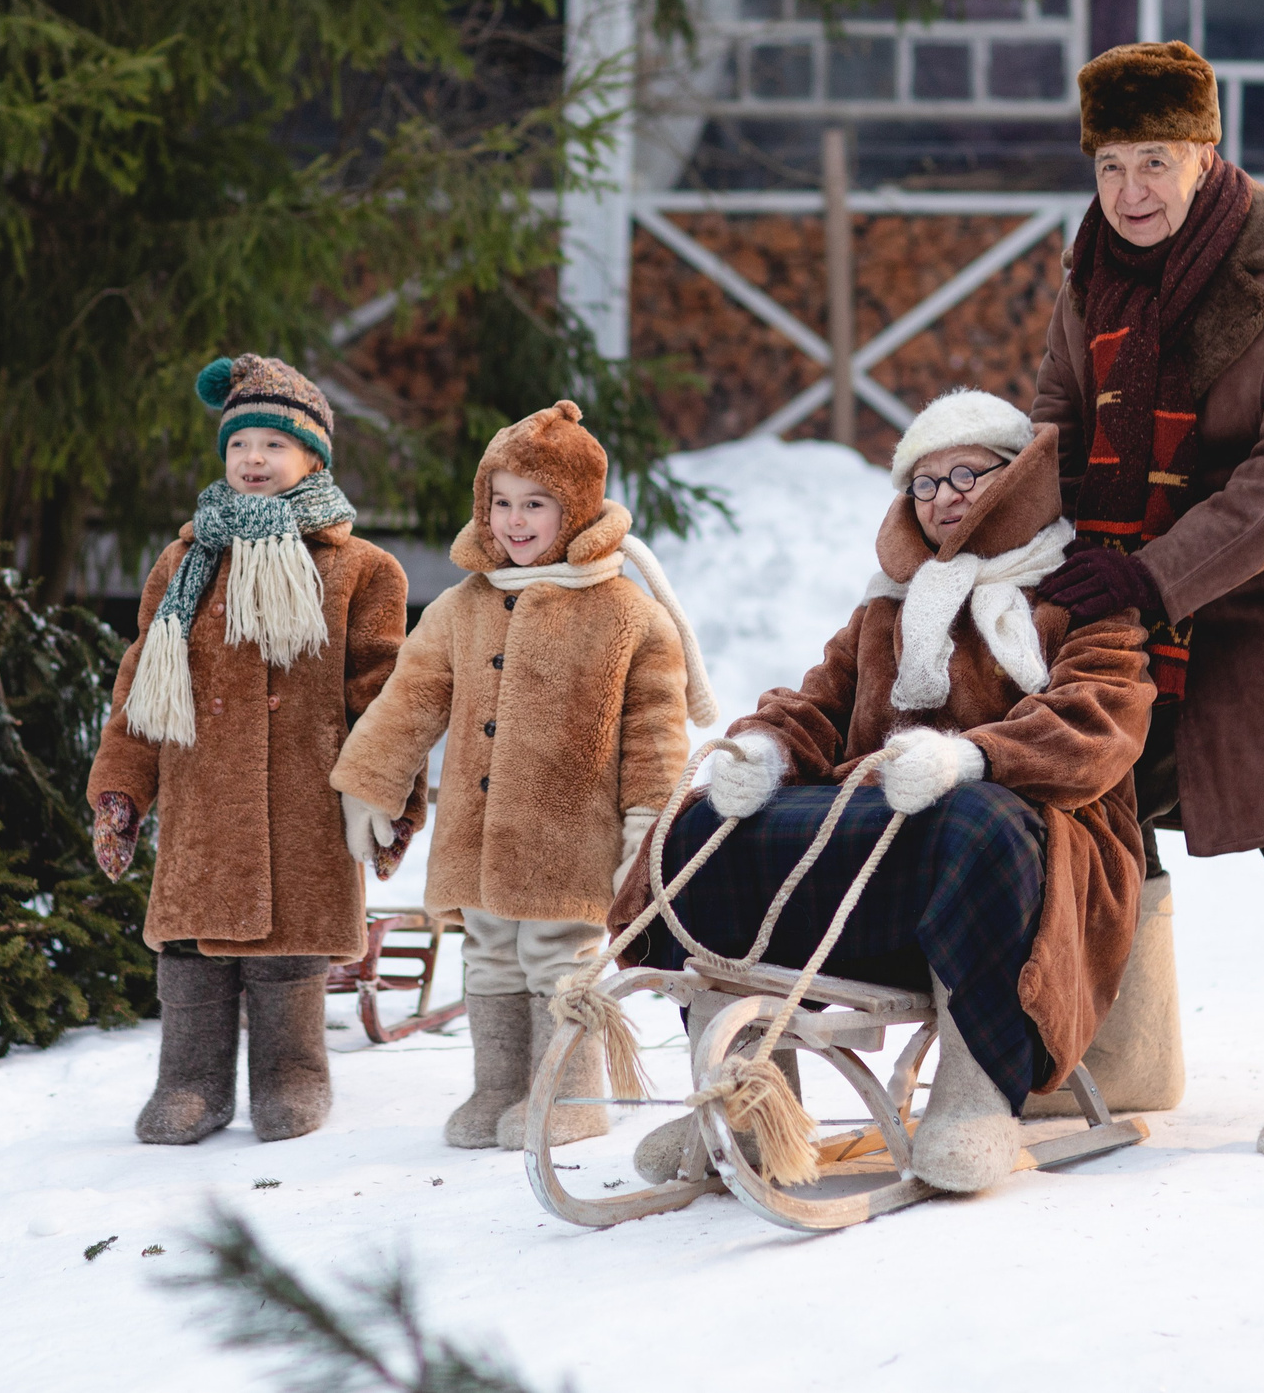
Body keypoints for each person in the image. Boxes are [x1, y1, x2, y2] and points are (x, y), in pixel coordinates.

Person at [618, 388, 1152, 1194]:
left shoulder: (1075, 592)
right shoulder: (888, 607)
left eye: (967, 473)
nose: (944, 496)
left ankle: (974, 1095)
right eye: (924, 482)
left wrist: (971, 757)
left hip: (1032, 846)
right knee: (705, 826)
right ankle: (753, 1105)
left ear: (1018, 478)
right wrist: (762, 748)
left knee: (971, 821)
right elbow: (818, 701)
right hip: (885, 847)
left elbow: (1099, 719)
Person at [1031, 39, 1264, 1166]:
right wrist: (1002, 537)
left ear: (1205, 153)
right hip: (1137, 581)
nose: (1130, 191)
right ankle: (1133, 1056)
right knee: (1108, 789)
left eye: (1155, 161)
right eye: (1110, 166)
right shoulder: (1090, 273)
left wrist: (1151, 577)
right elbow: (1056, 423)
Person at [331, 401, 712, 1149]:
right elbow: (410, 697)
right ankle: (498, 1087)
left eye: (535, 503)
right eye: (500, 502)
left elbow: (655, 734)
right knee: (489, 955)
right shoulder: (463, 607)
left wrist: (647, 826)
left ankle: (572, 1093)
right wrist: (370, 781)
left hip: (568, 838)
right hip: (476, 835)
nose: (514, 520)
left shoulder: (628, 613)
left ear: (577, 506)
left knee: (556, 956)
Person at [88, 353, 420, 1145]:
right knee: (193, 950)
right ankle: (191, 1083)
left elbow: (386, 697)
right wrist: (121, 790)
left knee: (287, 950)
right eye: (239, 444)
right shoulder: (184, 563)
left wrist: (391, 795)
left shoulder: (360, 570)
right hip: (204, 802)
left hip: (302, 803)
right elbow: (141, 688)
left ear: (314, 458)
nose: (254, 459)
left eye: (274, 443)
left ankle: (292, 1075)